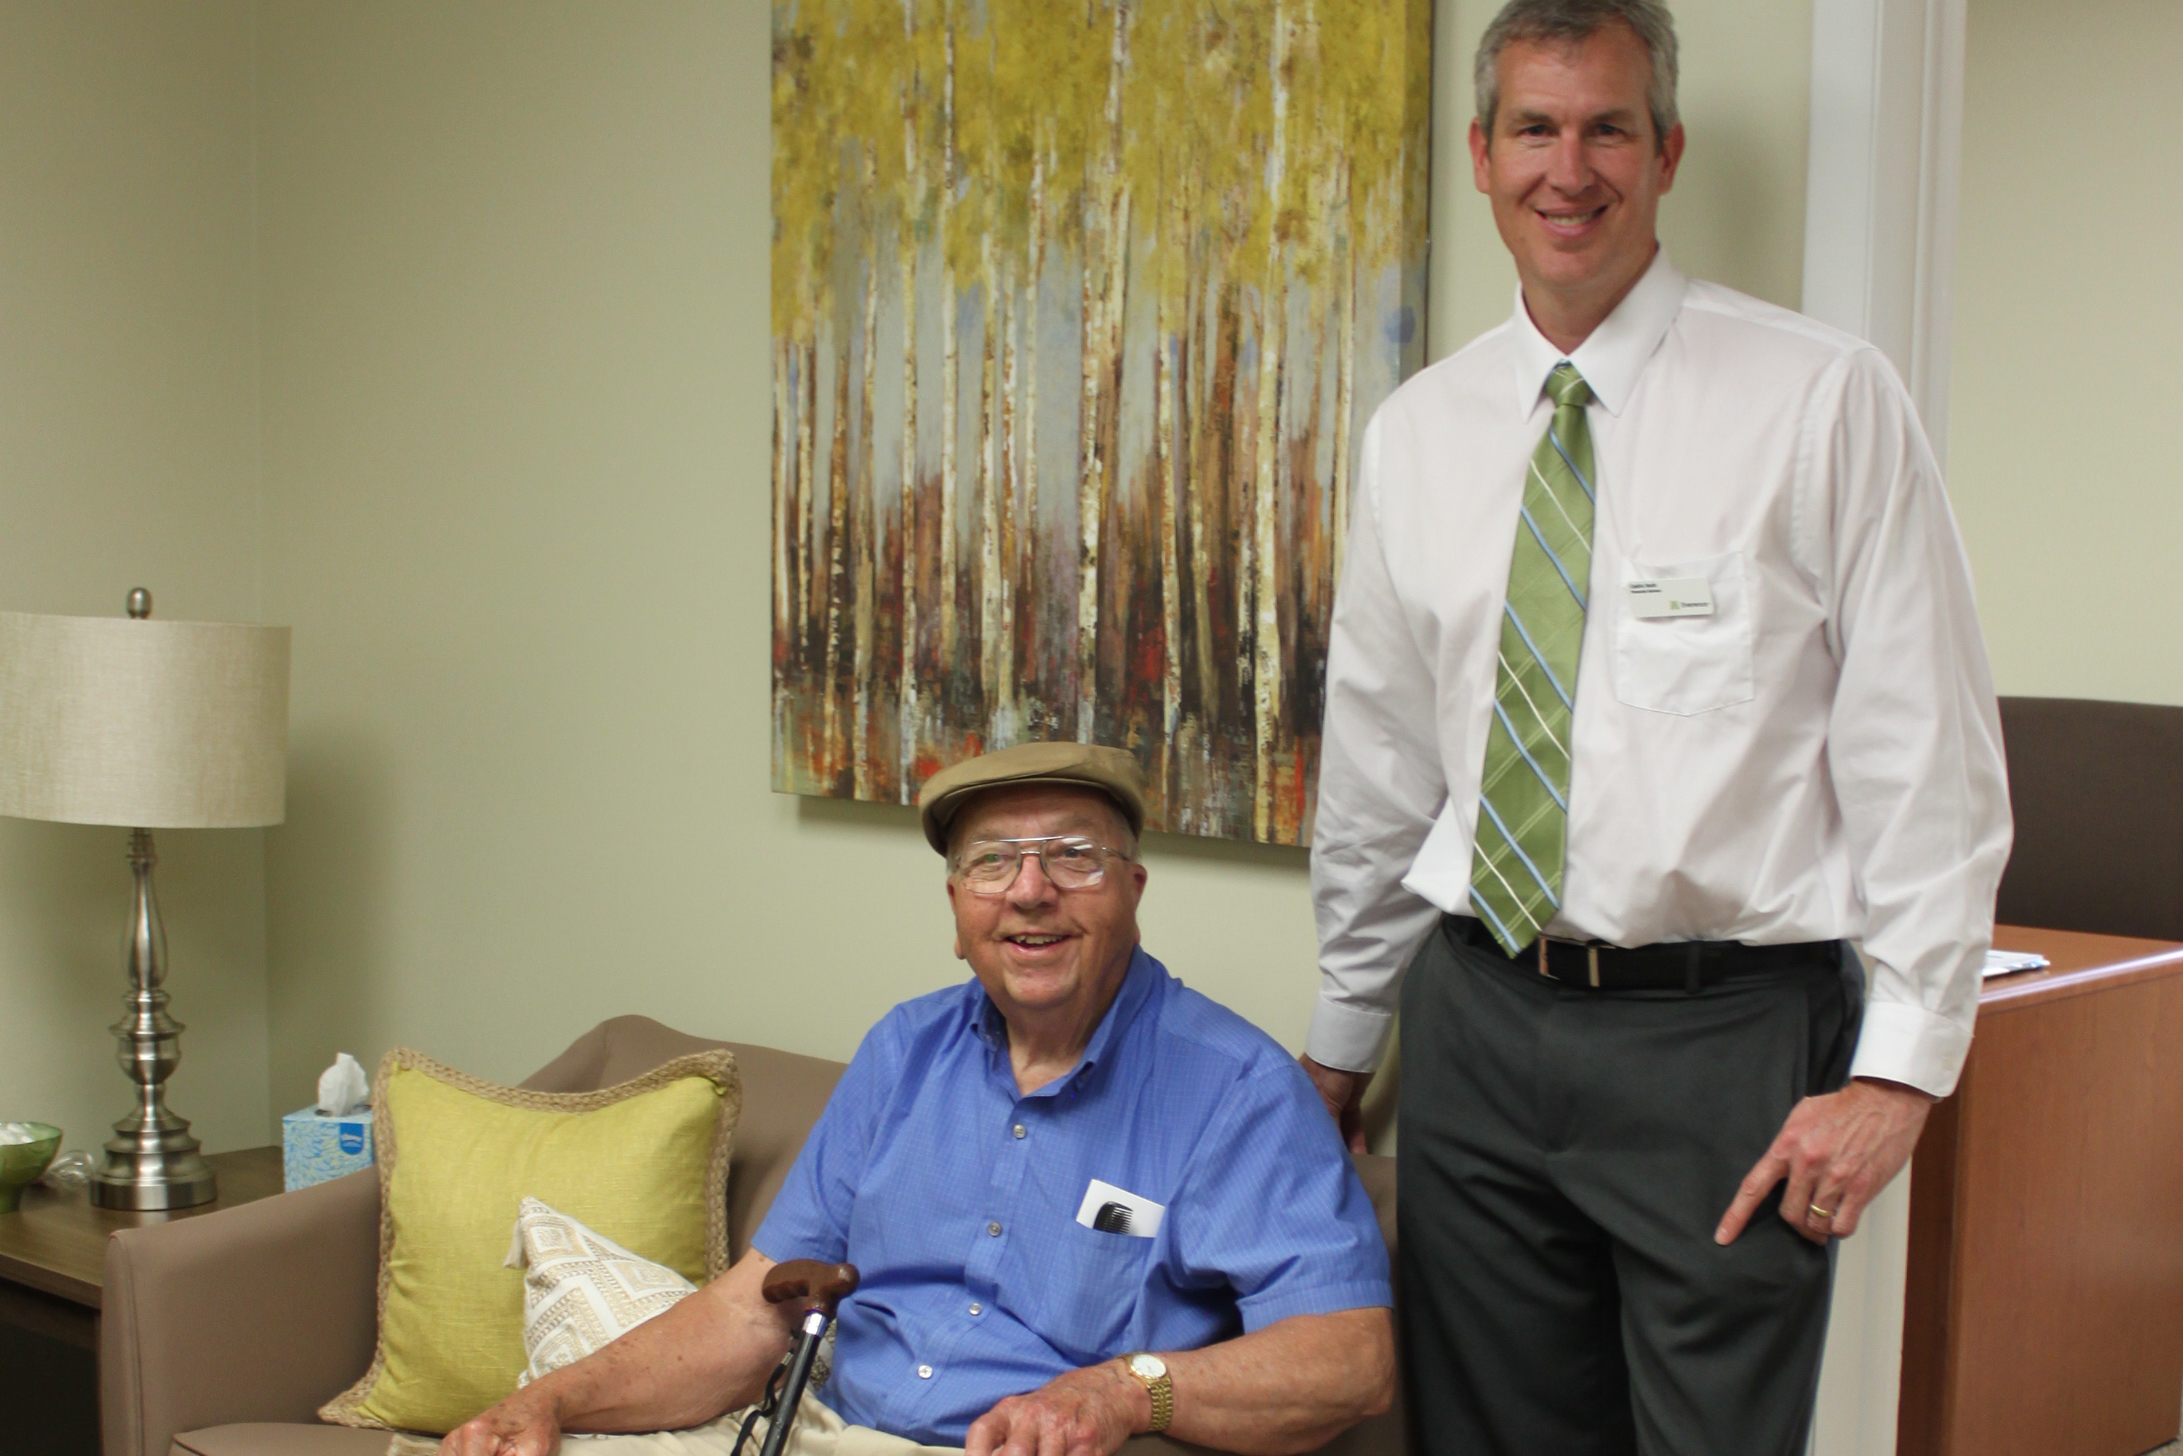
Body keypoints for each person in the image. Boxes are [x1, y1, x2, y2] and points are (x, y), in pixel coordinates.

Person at [1296, 1, 2011, 1452]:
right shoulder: (1419, 433)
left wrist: (1900, 1071)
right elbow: (1380, 762)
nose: (1571, 169)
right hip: (1479, 1021)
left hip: (1721, 1038)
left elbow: (1921, 758)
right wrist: (1339, 1038)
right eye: (1536, 129)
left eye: (1607, 127)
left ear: (1666, 149)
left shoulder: (1818, 401)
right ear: (1482, 155)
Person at [445, 741, 1394, 1456]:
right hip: (828, 1432)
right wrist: (553, 1401)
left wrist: (1119, 1392)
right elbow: (750, 1310)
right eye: (992, 862)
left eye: (1072, 856)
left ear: (1132, 890)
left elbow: (1351, 1361)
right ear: (956, 913)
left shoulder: (1236, 1088)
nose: (1030, 891)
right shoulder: (904, 1049)